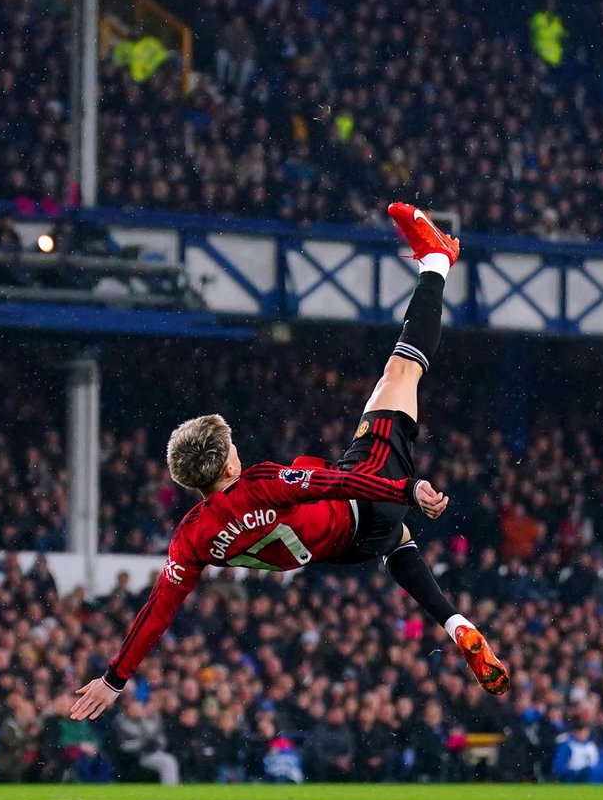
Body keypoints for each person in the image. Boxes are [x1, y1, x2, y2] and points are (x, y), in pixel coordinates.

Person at [72, 204, 509, 722]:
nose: (239, 448)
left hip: (345, 551)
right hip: (365, 501)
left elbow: (157, 612)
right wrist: (407, 489)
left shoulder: (191, 537)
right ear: (227, 466)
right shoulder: (260, 484)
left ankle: (455, 623)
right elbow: (339, 479)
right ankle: (437, 260)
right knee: (401, 370)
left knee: (397, 543)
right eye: (232, 446)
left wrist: (114, 678)